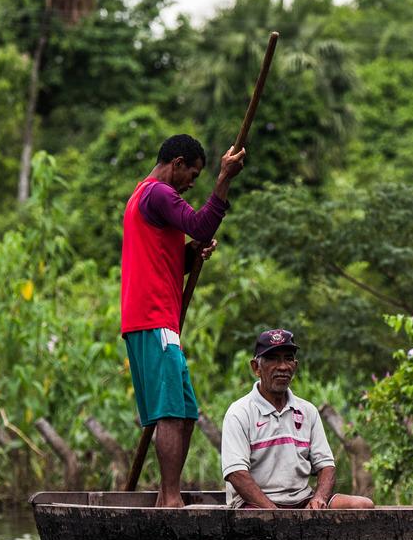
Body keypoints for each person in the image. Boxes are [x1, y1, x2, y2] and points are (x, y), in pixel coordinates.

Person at [121, 133, 246, 508]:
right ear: (176, 164)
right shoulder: (157, 193)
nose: (193, 182)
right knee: (171, 413)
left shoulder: (144, 197)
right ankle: (172, 499)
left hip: (157, 320)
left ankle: (165, 497)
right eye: (192, 173)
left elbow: (169, 258)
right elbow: (201, 224)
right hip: (153, 317)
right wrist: (223, 179)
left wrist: (191, 253)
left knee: (185, 412)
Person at [221, 329, 375, 510]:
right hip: (254, 505)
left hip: (301, 501)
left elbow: (326, 466)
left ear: (295, 365)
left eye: (288, 358)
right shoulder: (239, 412)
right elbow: (236, 474)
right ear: (256, 367)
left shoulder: (307, 411)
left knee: (363, 505)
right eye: (273, 359)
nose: (283, 366)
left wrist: (319, 498)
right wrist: (273, 512)